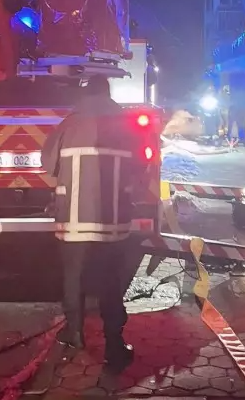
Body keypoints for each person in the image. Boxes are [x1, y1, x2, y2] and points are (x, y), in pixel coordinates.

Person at [41, 76, 143, 373]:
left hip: (73, 220)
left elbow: (48, 164)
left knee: (73, 277)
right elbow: (141, 165)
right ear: (109, 94)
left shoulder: (69, 124)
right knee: (111, 282)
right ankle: (114, 345)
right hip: (113, 221)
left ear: (85, 94)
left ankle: (75, 334)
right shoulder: (126, 126)